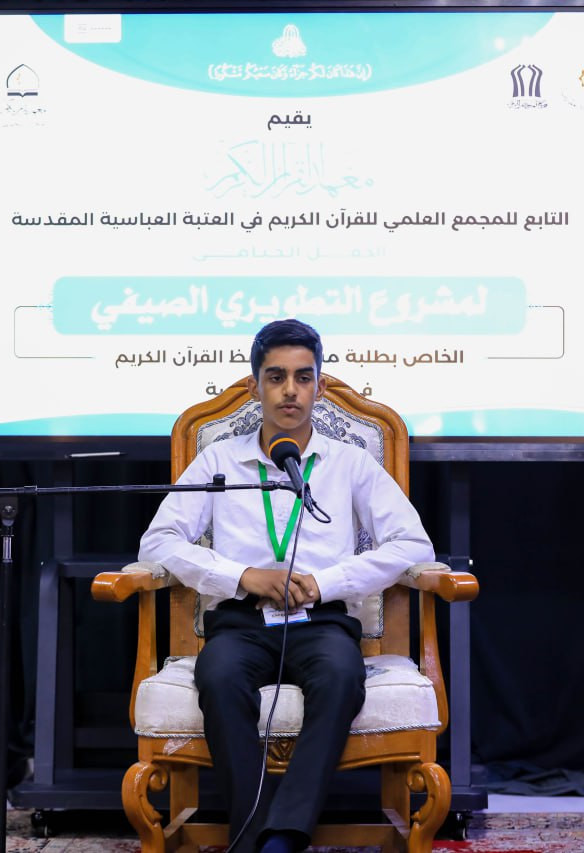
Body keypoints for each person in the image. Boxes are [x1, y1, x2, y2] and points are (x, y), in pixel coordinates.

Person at [138, 318, 435, 853]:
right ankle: (253, 833)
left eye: (303, 377)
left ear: (319, 386)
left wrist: (326, 582)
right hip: (241, 622)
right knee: (218, 675)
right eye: (276, 377)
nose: (290, 390)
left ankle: (283, 836)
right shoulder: (218, 460)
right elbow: (157, 543)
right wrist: (241, 576)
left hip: (322, 622)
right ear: (256, 387)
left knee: (341, 675)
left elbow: (414, 546)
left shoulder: (350, 463)